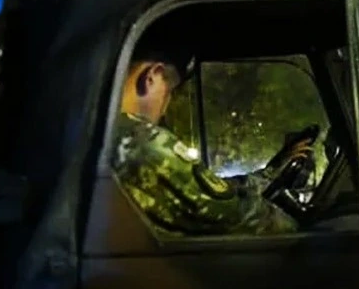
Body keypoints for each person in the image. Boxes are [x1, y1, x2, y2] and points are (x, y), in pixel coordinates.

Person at [112, 52, 309, 235]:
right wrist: (305, 231)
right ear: (152, 77)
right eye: (169, 92)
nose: (164, 109)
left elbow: (209, 190)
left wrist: (270, 174)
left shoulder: (109, 136)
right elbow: (234, 215)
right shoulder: (144, 144)